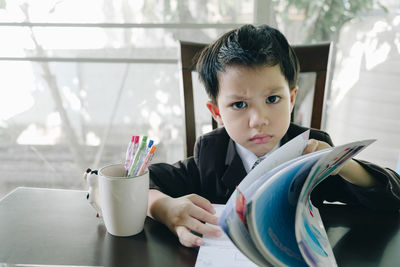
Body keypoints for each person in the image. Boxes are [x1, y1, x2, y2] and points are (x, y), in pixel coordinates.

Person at [147, 24, 400, 248]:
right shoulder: (211, 153)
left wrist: (342, 165)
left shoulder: (311, 149)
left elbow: (391, 198)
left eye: (272, 99)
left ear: (291, 99)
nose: (259, 120)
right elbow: (139, 182)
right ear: (217, 113)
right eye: (239, 105)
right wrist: (162, 207)